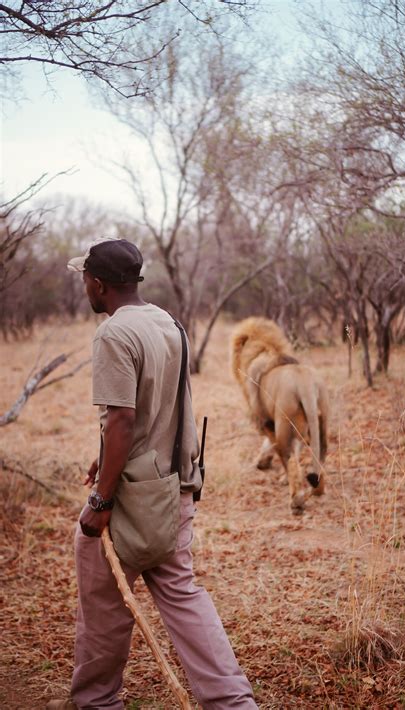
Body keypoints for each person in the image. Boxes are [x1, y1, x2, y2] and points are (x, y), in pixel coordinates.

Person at [47, 238, 257, 710]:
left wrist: (101, 502)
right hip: (174, 489)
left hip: (131, 500)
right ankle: (233, 702)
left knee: (102, 604)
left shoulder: (114, 334)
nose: (84, 286)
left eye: (85, 278)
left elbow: (122, 419)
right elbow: (164, 407)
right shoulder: (169, 323)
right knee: (183, 594)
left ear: (98, 283)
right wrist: (106, 456)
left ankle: (98, 701)